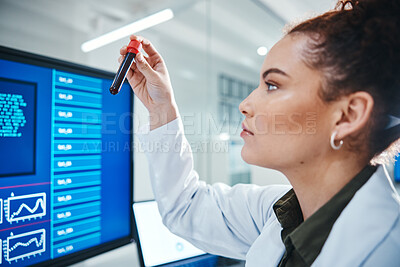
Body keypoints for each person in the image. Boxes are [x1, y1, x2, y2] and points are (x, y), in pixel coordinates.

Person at [119, 0, 400, 266]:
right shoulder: (280, 214)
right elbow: (185, 208)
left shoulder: (385, 253)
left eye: (273, 85)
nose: (245, 105)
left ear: (348, 115)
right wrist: (161, 108)